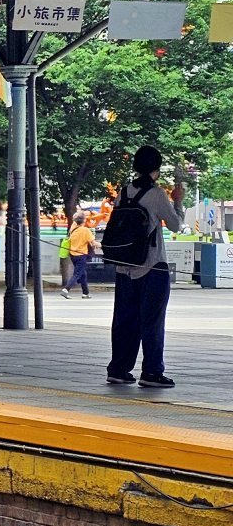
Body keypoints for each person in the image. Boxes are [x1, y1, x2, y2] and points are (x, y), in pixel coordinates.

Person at [106, 146, 185, 388]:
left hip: (125, 266)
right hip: (152, 266)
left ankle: (118, 369)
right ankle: (151, 371)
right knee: (152, 320)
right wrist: (178, 202)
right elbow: (176, 225)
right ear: (156, 169)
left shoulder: (125, 192)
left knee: (124, 319)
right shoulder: (157, 194)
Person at [62, 211, 94, 300]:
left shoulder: (72, 228)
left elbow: (75, 220)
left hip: (73, 255)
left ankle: (85, 293)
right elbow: (92, 243)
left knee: (83, 273)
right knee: (77, 274)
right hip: (81, 255)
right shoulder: (85, 230)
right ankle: (66, 289)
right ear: (84, 220)